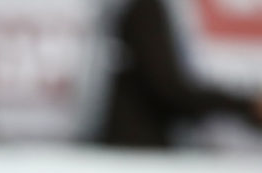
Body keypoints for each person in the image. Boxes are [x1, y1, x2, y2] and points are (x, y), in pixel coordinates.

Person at [96, 0, 262, 148]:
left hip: (224, 149)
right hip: (142, 149)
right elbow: (168, 86)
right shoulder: (149, 8)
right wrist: (247, 106)